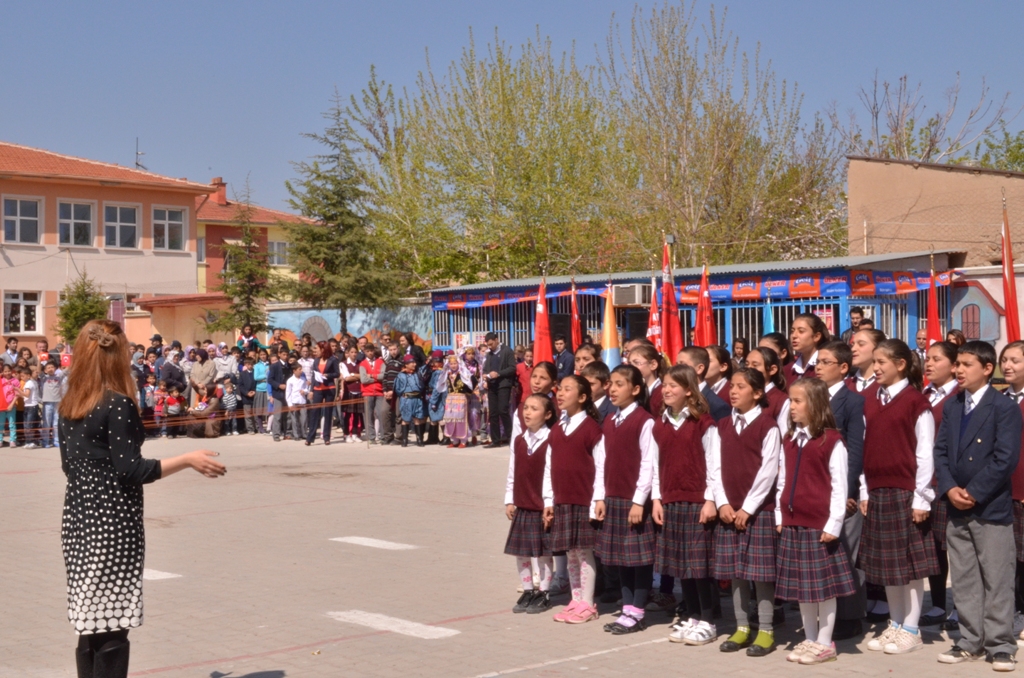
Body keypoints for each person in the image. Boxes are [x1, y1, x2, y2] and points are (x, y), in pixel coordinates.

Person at [59, 320, 225, 677]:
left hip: (77, 523)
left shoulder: (69, 405)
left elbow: (68, 468)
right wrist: (187, 459)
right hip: (113, 526)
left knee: (91, 623)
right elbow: (131, 469)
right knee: (114, 625)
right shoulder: (117, 404)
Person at [933, 342, 1021, 670]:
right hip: (956, 506)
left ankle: (1000, 644)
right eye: (957, 364)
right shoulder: (953, 405)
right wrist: (949, 488)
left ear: (986, 369)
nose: (958, 370)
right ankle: (970, 640)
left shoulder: (1003, 407)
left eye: (966, 364)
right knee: (965, 577)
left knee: (997, 577)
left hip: (989, 508)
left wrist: (973, 491)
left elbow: (1005, 458)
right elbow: (940, 451)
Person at [859, 339, 937, 655]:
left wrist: (922, 497)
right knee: (887, 566)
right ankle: (895, 623)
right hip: (877, 491)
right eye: (874, 361)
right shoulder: (869, 400)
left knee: (909, 566)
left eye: (882, 362)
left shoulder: (916, 402)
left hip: (906, 491)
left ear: (901, 364)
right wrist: (864, 490)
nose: (876, 367)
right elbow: (864, 447)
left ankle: (912, 629)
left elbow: (925, 452)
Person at [775, 378, 856, 665]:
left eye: (798, 401)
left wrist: (834, 524)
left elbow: (839, 486)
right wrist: (780, 515)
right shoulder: (789, 440)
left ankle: (824, 642)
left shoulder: (831, 441)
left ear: (816, 404)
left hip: (819, 525)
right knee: (803, 587)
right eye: (790, 400)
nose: (791, 406)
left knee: (823, 588)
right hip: (793, 522)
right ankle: (809, 638)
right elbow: (782, 480)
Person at [713, 368, 782, 657]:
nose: (733, 391)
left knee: (761, 574)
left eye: (741, 387)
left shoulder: (768, 426)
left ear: (757, 393)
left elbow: (769, 471)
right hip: (729, 511)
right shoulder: (722, 426)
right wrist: (722, 502)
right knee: (736, 572)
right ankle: (741, 627)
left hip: (758, 511)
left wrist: (748, 507)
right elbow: (714, 467)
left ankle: (765, 630)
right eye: (732, 385)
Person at [652, 365, 720, 646]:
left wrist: (710, 499)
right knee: (682, 565)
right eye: (665, 385)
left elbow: (715, 464)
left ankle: (709, 620)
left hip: (697, 502)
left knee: (699, 567)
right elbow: (655, 465)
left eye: (673, 385)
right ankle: (692, 617)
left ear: (689, 390)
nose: (667, 390)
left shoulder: (703, 423)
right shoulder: (660, 423)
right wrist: (656, 498)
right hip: (671, 501)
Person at [594, 364, 657, 635]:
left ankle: (637, 611)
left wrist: (639, 501)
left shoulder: (645, 421)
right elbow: (601, 461)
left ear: (635, 389)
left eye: (620, 384)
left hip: (633, 502)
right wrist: (599, 497)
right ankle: (627, 609)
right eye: (611, 383)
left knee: (639, 560)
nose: (613, 389)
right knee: (621, 558)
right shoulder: (610, 420)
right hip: (613, 497)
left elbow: (648, 464)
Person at [813, 340, 867, 641]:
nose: (818, 367)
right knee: (825, 555)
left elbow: (856, 450)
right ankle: (825, 614)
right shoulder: (813, 397)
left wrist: (847, 490)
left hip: (843, 490)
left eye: (826, 362)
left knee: (847, 554)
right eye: (817, 362)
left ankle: (851, 616)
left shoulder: (853, 401)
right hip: (816, 487)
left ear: (844, 367)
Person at [546, 375, 605, 624]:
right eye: (559, 389)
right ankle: (576, 598)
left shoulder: (592, 428)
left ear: (582, 397)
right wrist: (548, 500)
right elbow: (549, 466)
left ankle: (588, 603)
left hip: (583, 500)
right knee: (570, 553)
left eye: (567, 390)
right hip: (563, 500)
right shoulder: (557, 428)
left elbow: (601, 466)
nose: (560, 393)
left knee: (584, 552)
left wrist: (598, 499)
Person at [920, 341, 960, 628]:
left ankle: (960, 606)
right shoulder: (923, 395)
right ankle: (936, 605)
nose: (929, 364)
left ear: (954, 365)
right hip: (925, 482)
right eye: (927, 358)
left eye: (937, 359)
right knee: (933, 546)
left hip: (949, 481)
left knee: (954, 546)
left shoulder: (959, 396)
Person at [505, 393, 556, 614]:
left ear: (548, 414)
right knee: (522, 552)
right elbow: (512, 470)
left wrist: (549, 502)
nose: (528, 412)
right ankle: (527, 589)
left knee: (543, 553)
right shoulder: (519, 440)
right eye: (526, 408)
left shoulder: (551, 439)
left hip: (540, 506)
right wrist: (509, 499)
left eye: (534, 409)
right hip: (522, 503)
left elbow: (551, 474)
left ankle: (544, 592)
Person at [1001, 341, 1024, 647]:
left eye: (1015, 360)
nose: (1007, 366)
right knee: (1010, 557)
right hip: (1003, 491)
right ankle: (1015, 611)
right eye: (1004, 360)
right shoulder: (999, 400)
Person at [677, 347, 731, 422]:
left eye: (683, 365)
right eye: (676, 365)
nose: (677, 370)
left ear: (700, 368)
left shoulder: (717, 406)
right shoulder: (677, 397)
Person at [745, 347, 790, 433]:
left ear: (772, 370)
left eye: (755, 365)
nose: (749, 369)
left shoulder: (781, 401)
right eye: (747, 364)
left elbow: (784, 435)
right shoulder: (741, 394)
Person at [484, 332, 517, 448]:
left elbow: (512, 368)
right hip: (492, 386)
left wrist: (498, 374)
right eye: (488, 345)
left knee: (503, 410)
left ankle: (511, 438)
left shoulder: (507, 351)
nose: (490, 347)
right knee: (493, 413)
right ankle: (495, 440)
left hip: (503, 384)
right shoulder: (489, 354)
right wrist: (485, 375)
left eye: (491, 344)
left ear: (496, 340)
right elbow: (485, 369)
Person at [305, 341, 340, 446]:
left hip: (329, 388)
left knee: (328, 413)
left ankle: (326, 437)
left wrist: (327, 375)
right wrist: (311, 390)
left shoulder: (333, 359)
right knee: (315, 413)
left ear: (323, 349)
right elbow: (313, 376)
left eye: (317, 348)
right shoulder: (316, 360)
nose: (315, 350)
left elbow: (337, 373)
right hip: (317, 388)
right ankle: (310, 438)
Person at [786, 313, 829, 386]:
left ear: (816, 336)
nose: (794, 336)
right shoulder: (787, 370)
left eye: (801, 331)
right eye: (792, 331)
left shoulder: (827, 368)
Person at [442, 354, 475, 448]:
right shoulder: (447, 374)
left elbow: (472, 382)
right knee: (451, 419)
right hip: (450, 399)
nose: (453, 365)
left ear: (458, 364)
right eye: (451, 364)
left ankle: (463, 440)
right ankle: (455, 440)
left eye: (455, 363)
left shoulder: (463, 374)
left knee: (460, 419)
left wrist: (468, 393)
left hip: (460, 399)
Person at [394, 355, 427, 447]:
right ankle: (404, 440)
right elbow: (397, 388)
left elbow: (422, 385)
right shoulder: (400, 375)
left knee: (417, 419)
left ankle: (419, 439)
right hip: (406, 399)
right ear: (406, 364)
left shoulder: (417, 374)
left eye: (414, 362)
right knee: (405, 419)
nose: (414, 364)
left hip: (417, 399)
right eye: (412, 363)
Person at [360, 344, 386, 444]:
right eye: (367, 351)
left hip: (379, 392)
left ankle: (383, 437)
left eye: (371, 351)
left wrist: (371, 375)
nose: (370, 353)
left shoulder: (380, 362)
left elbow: (384, 376)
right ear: (365, 352)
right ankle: (371, 437)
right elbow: (363, 379)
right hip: (367, 392)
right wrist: (377, 378)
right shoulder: (363, 364)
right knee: (368, 415)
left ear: (374, 351)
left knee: (381, 414)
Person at [847, 328, 886, 395]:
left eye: (861, 344)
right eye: (852, 345)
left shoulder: (886, 385)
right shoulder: (846, 385)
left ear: (877, 347)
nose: (853, 349)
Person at [338, 345, 364, 444]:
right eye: (352, 352)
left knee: (357, 413)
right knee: (348, 414)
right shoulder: (343, 364)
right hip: (349, 391)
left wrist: (353, 375)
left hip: (359, 390)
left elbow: (364, 375)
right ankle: (346, 434)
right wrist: (358, 376)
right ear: (348, 353)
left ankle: (355, 434)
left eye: (355, 352)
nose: (354, 354)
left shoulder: (360, 363)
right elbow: (346, 378)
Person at [629, 344, 664, 416]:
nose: (632, 368)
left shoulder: (661, 393)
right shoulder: (637, 392)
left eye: (637, 363)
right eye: (630, 364)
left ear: (653, 365)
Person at [380, 343, 404, 445]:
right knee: (384, 412)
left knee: (399, 415)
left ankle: (399, 437)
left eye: (394, 349)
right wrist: (385, 391)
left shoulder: (402, 361)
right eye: (390, 350)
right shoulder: (388, 362)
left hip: (398, 393)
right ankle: (388, 436)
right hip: (388, 393)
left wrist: (394, 391)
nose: (393, 352)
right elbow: (385, 377)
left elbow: (403, 379)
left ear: (398, 349)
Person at [39, 361, 65, 449]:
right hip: (47, 403)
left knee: (56, 423)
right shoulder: (44, 378)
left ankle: (56, 441)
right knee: (46, 422)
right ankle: (45, 441)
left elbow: (67, 370)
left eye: (52, 367)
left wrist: (67, 359)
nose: (50, 369)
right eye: (48, 367)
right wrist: (39, 360)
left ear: (55, 369)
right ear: (45, 370)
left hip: (57, 402)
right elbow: (38, 371)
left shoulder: (59, 376)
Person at [267, 349, 289, 442]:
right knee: (278, 415)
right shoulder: (274, 366)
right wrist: (279, 385)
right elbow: (270, 380)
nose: (285, 356)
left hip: (288, 393)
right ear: (279, 354)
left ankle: (287, 433)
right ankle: (276, 434)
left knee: (287, 415)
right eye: (283, 354)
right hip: (278, 393)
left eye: (287, 354)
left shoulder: (289, 365)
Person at [284, 363, 309, 442]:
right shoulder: (290, 380)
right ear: (294, 371)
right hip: (294, 401)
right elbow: (288, 393)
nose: (301, 371)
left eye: (301, 369)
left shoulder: (303, 379)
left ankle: (304, 433)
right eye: (299, 369)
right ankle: (296, 434)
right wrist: (289, 404)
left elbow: (307, 388)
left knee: (304, 418)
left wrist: (304, 391)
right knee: (294, 419)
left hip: (302, 401)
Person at [426, 353, 447, 445]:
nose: (433, 363)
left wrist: (433, 401)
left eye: (435, 361)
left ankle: (446, 437)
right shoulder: (436, 371)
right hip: (435, 396)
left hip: (437, 397)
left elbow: (437, 388)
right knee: (433, 418)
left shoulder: (438, 372)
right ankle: (433, 438)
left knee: (440, 418)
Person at [21, 366, 40, 448]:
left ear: (28, 375)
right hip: (28, 405)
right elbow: (26, 396)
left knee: (29, 424)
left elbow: (27, 395)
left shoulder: (29, 383)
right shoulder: (29, 383)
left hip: (32, 406)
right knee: (26, 425)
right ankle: (28, 441)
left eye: (23, 376)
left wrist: (18, 390)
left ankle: (31, 441)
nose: (21, 377)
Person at [253, 350, 270, 434]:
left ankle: (269, 427)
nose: (263, 356)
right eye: (261, 355)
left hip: (268, 389)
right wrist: (266, 374)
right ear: (259, 356)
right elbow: (256, 377)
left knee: (269, 410)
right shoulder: (257, 366)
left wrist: (263, 378)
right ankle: (260, 428)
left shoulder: (270, 365)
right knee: (259, 410)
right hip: (260, 389)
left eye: (264, 354)